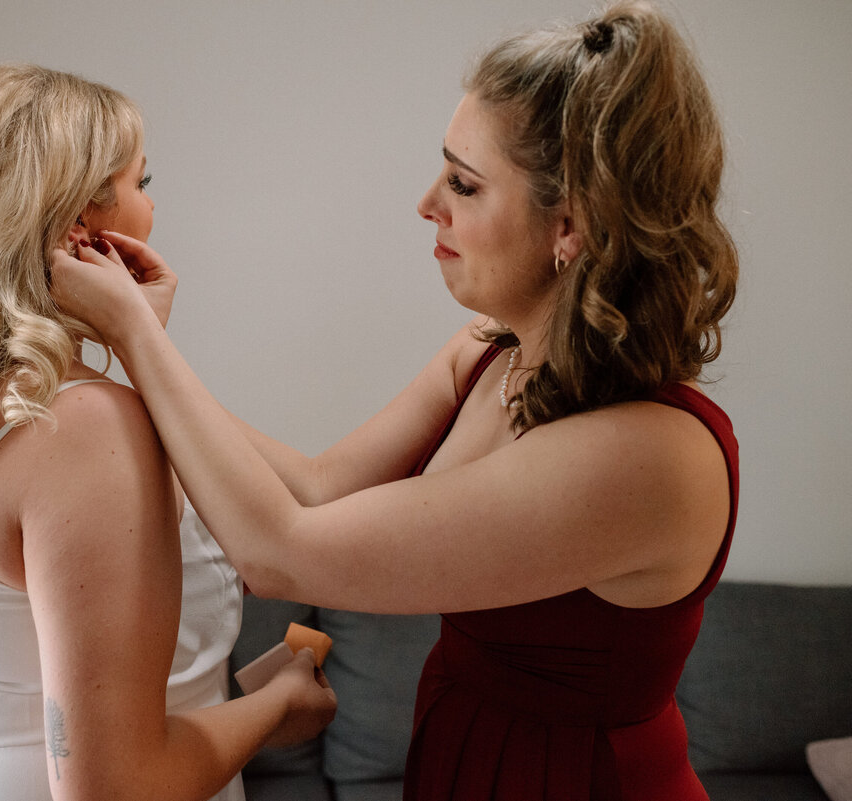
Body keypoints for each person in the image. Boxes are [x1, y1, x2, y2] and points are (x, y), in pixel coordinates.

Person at [49, 2, 739, 798]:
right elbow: (310, 486)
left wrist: (134, 336)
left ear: (571, 225)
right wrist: (144, 349)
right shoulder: (490, 349)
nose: (426, 204)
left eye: (463, 183)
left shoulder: (648, 456)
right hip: (460, 754)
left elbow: (279, 550)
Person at [0, 64, 336, 801]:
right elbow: (114, 785)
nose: (153, 208)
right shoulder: (84, 427)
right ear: (83, 228)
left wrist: (138, 344)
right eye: (144, 183)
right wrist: (277, 704)